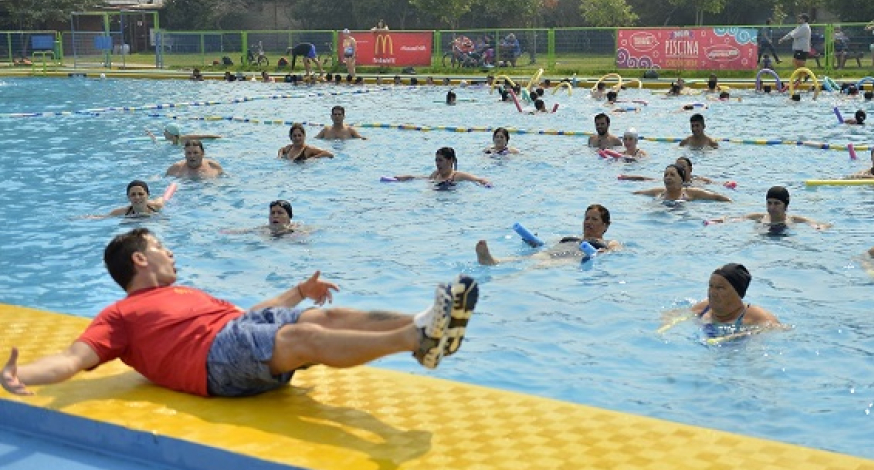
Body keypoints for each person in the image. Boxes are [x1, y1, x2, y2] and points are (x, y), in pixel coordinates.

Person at [0, 228, 480, 397]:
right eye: (162, 247)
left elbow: (245, 316)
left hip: (237, 334)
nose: (172, 254)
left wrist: (298, 290)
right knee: (295, 340)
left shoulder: (185, 293)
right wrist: (20, 374)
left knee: (320, 319)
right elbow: (73, 358)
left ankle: (421, 324)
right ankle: (418, 338)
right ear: (140, 260)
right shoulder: (118, 316)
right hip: (213, 363)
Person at [475, 204, 622, 265]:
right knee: (530, 258)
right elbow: (546, 244)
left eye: (594, 219)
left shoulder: (610, 242)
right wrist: (533, 242)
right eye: (587, 218)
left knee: (540, 266)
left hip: (571, 259)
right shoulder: (572, 236)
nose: (588, 222)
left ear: (605, 225)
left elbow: (615, 251)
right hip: (553, 253)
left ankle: (507, 278)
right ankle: (493, 260)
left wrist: (604, 251)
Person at [686, 264, 781, 335]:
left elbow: (781, 330)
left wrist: (749, 333)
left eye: (720, 288)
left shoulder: (756, 316)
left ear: (737, 292)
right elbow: (674, 317)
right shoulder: (704, 307)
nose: (712, 293)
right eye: (711, 286)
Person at [710, 186, 829, 230]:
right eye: (769, 203)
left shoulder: (792, 219)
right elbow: (737, 219)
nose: (771, 207)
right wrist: (722, 220)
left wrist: (820, 227)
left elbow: (816, 224)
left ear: (785, 205)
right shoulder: (758, 217)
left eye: (777, 203)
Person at [395, 147, 491, 187]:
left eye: (440, 160)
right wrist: (408, 177)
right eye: (436, 160)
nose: (437, 163)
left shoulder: (457, 176)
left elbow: (479, 180)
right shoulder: (435, 174)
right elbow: (423, 178)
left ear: (450, 161)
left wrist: (486, 183)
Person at [633, 164, 731, 202]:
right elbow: (637, 193)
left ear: (681, 180)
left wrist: (731, 203)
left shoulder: (690, 192)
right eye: (666, 175)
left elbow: (715, 196)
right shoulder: (658, 192)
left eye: (672, 175)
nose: (668, 177)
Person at [149, 122, 222, 145]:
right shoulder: (170, 141)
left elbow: (203, 136)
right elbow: (158, 144)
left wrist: (218, 137)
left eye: (166, 131)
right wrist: (153, 138)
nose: (163, 133)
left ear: (171, 133)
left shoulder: (184, 138)